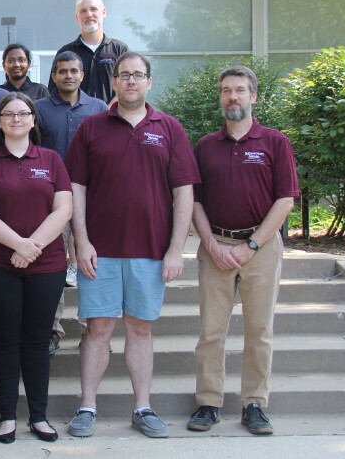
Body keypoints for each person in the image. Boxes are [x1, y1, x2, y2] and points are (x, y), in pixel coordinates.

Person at [65, 52, 200, 439]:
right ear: (114, 83)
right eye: (124, 76)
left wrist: (176, 249)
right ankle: (87, 407)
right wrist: (81, 239)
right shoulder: (92, 128)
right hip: (100, 250)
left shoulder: (170, 128)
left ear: (149, 82)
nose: (130, 82)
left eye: (138, 76)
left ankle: (143, 407)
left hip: (151, 251)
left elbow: (184, 192)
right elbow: (77, 188)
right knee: (99, 328)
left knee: (140, 329)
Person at [187, 66, 298, 436]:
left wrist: (252, 245)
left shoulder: (274, 142)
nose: (232, 97)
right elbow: (194, 202)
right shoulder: (205, 146)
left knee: (259, 329)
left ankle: (254, 404)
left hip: (261, 248)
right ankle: (208, 402)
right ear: (220, 97)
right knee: (211, 331)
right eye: (226, 90)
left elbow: (285, 200)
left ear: (253, 96)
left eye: (239, 90)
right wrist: (211, 244)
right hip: (215, 245)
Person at [0, 93, 72, 444]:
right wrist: (18, 244)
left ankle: (39, 417)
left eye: (23, 113)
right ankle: (6, 417)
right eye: (8, 114)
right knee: (4, 341)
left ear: (33, 120)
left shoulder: (52, 160)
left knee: (36, 341)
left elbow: (63, 209)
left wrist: (32, 248)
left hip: (46, 265)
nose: (16, 118)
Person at [35, 51, 108, 355]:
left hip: (94, 198)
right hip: (52, 202)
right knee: (54, 266)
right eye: (62, 71)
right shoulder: (38, 110)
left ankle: (91, 331)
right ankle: (52, 329)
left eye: (73, 71)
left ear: (82, 75)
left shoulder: (99, 108)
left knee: (93, 266)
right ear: (53, 76)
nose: (68, 76)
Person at [49, 0, 128, 104]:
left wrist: (107, 112)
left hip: (111, 118)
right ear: (77, 17)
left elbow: (127, 87)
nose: (89, 14)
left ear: (104, 12)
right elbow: (55, 91)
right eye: (83, 11)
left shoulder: (120, 50)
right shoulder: (66, 52)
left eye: (93, 9)